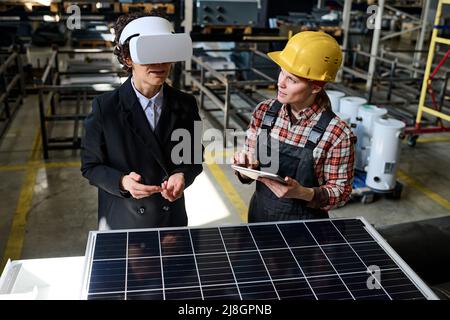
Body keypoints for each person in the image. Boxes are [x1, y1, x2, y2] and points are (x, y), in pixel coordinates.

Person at [81, 12, 203, 230]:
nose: (160, 63)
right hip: (123, 219)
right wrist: (122, 182)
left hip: (170, 219)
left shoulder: (185, 104)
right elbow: (91, 166)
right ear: (128, 59)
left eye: (165, 52)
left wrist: (182, 173)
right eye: (148, 54)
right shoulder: (105, 108)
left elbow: (194, 156)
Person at [232, 31, 355, 222]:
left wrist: (303, 193)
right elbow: (249, 169)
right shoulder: (264, 112)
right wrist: (245, 168)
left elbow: (342, 192)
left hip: (305, 229)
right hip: (259, 217)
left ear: (316, 86)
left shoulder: (337, 133)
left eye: (292, 79)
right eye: (282, 72)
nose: (280, 83)